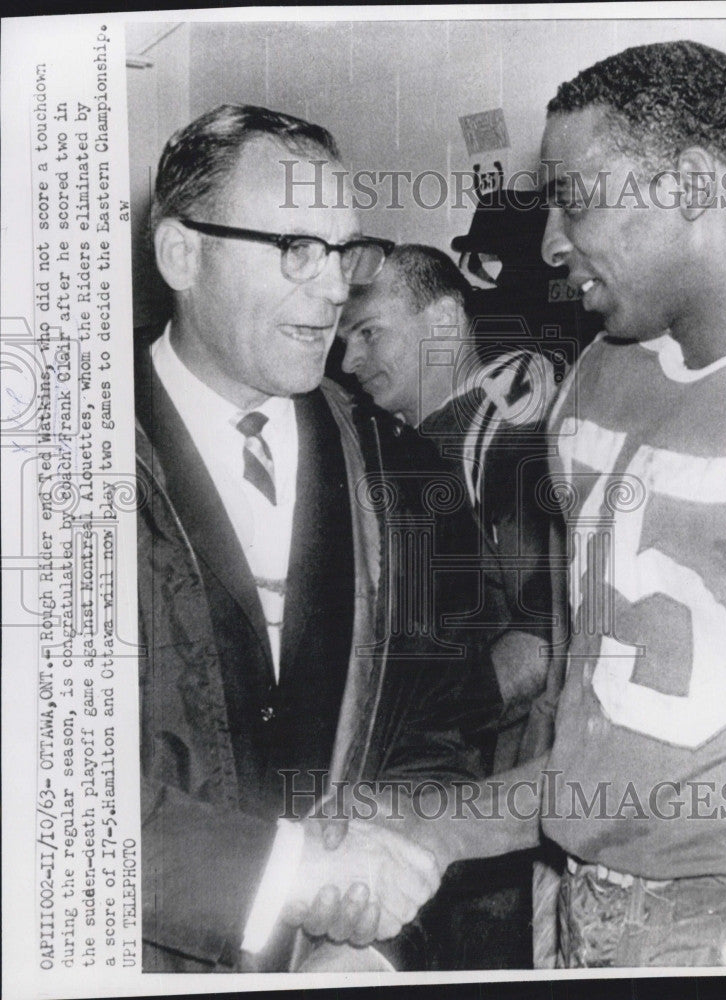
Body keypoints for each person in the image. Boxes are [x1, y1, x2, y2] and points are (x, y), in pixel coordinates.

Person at [321, 40, 726, 969]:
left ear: (691, 185)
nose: (547, 241)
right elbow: (606, 748)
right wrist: (436, 821)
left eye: (574, 198)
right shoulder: (596, 376)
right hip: (572, 898)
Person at [136, 103, 493, 973]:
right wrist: (283, 872)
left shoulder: (403, 474)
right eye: (296, 247)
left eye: (344, 253)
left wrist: (367, 937)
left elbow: (439, 729)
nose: (334, 288)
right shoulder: (50, 467)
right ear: (182, 253)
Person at [338, 244, 560, 749]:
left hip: (485, 769)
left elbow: (546, 636)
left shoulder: (511, 434)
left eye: (369, 333)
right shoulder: (380, 438)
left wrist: (414, 736)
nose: (349, 361)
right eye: (343, 340)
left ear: (443, 321)